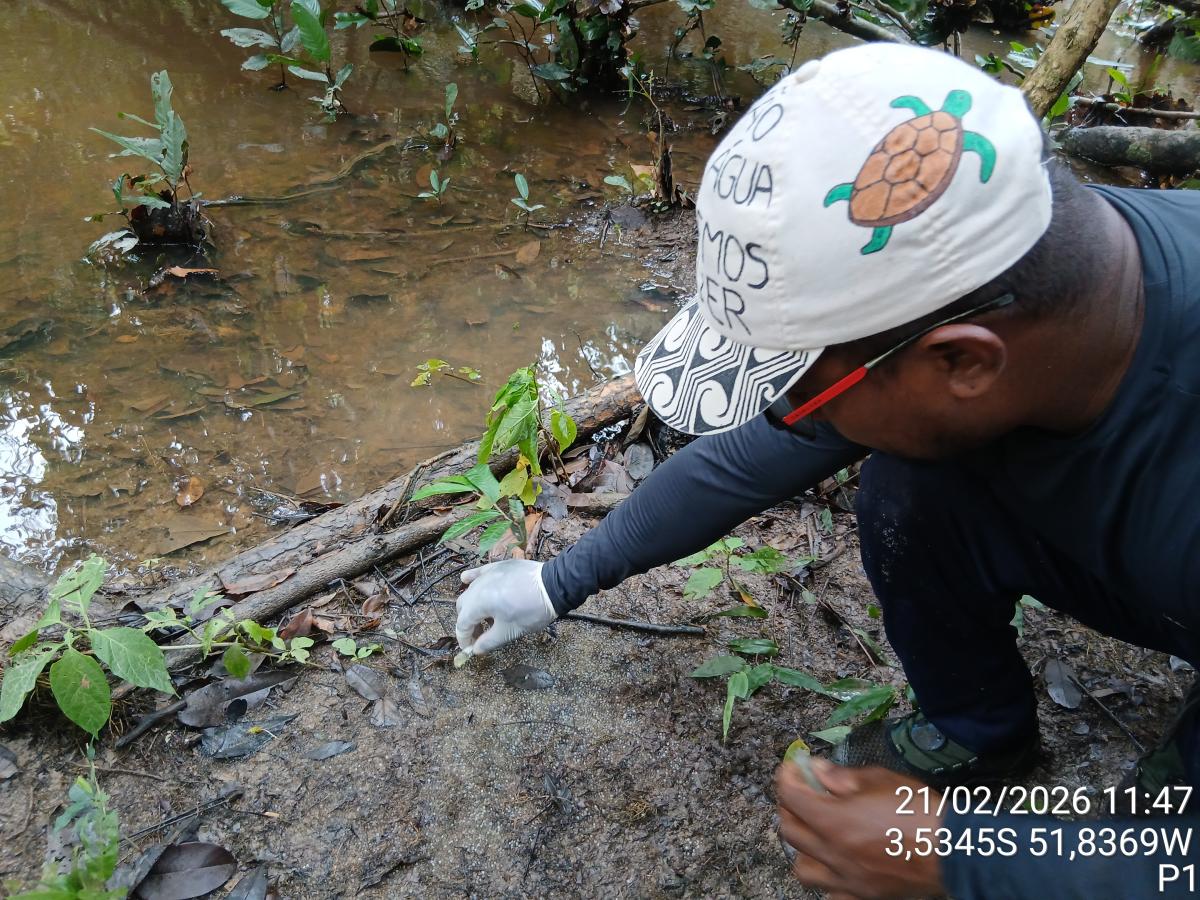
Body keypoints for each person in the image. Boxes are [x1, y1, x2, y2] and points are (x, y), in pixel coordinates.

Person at [455, 43, 1200, 898]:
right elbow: (754, 457)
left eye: (806, 390)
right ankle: (981, 731)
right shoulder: (1025, 277)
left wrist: (962, 865)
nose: (794, 418)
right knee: (910, 481)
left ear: (962, 364)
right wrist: (556, 582)